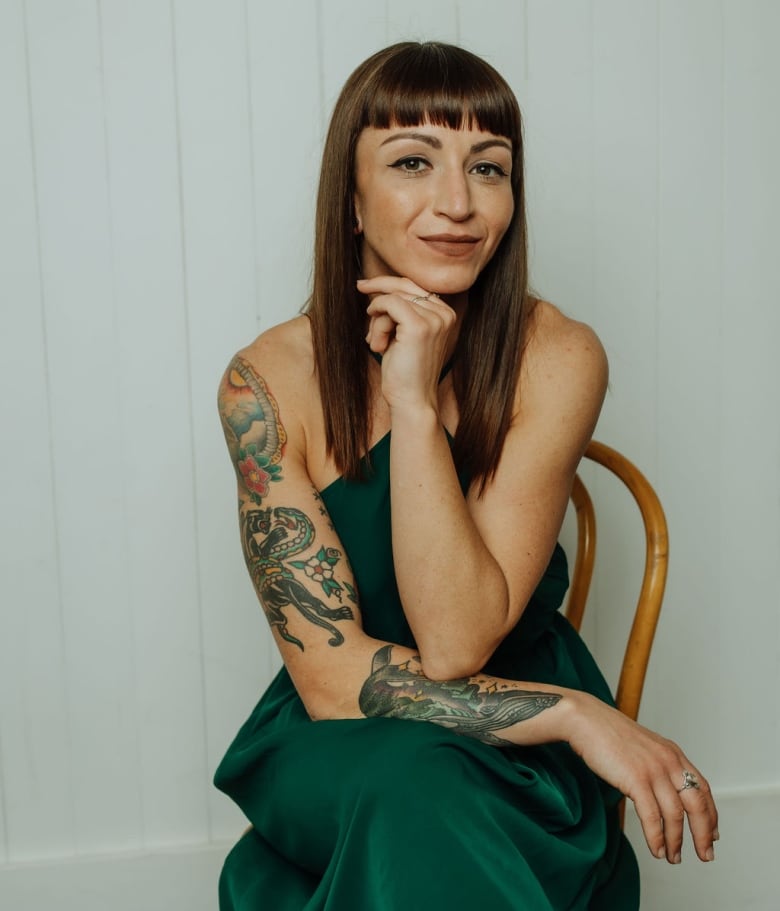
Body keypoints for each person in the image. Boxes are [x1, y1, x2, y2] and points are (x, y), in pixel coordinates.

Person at [213, 41, 718, 910]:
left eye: (489, 168)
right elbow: (336, 681)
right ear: (351, 203)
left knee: (422, 801)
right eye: (413, 161)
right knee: (408, 787)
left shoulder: (557, 355)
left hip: (508, 746)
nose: (459, 203)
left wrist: (412, 403)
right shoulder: (265, 384)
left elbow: (457, 639)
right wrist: (572, 712)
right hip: (347, 726)